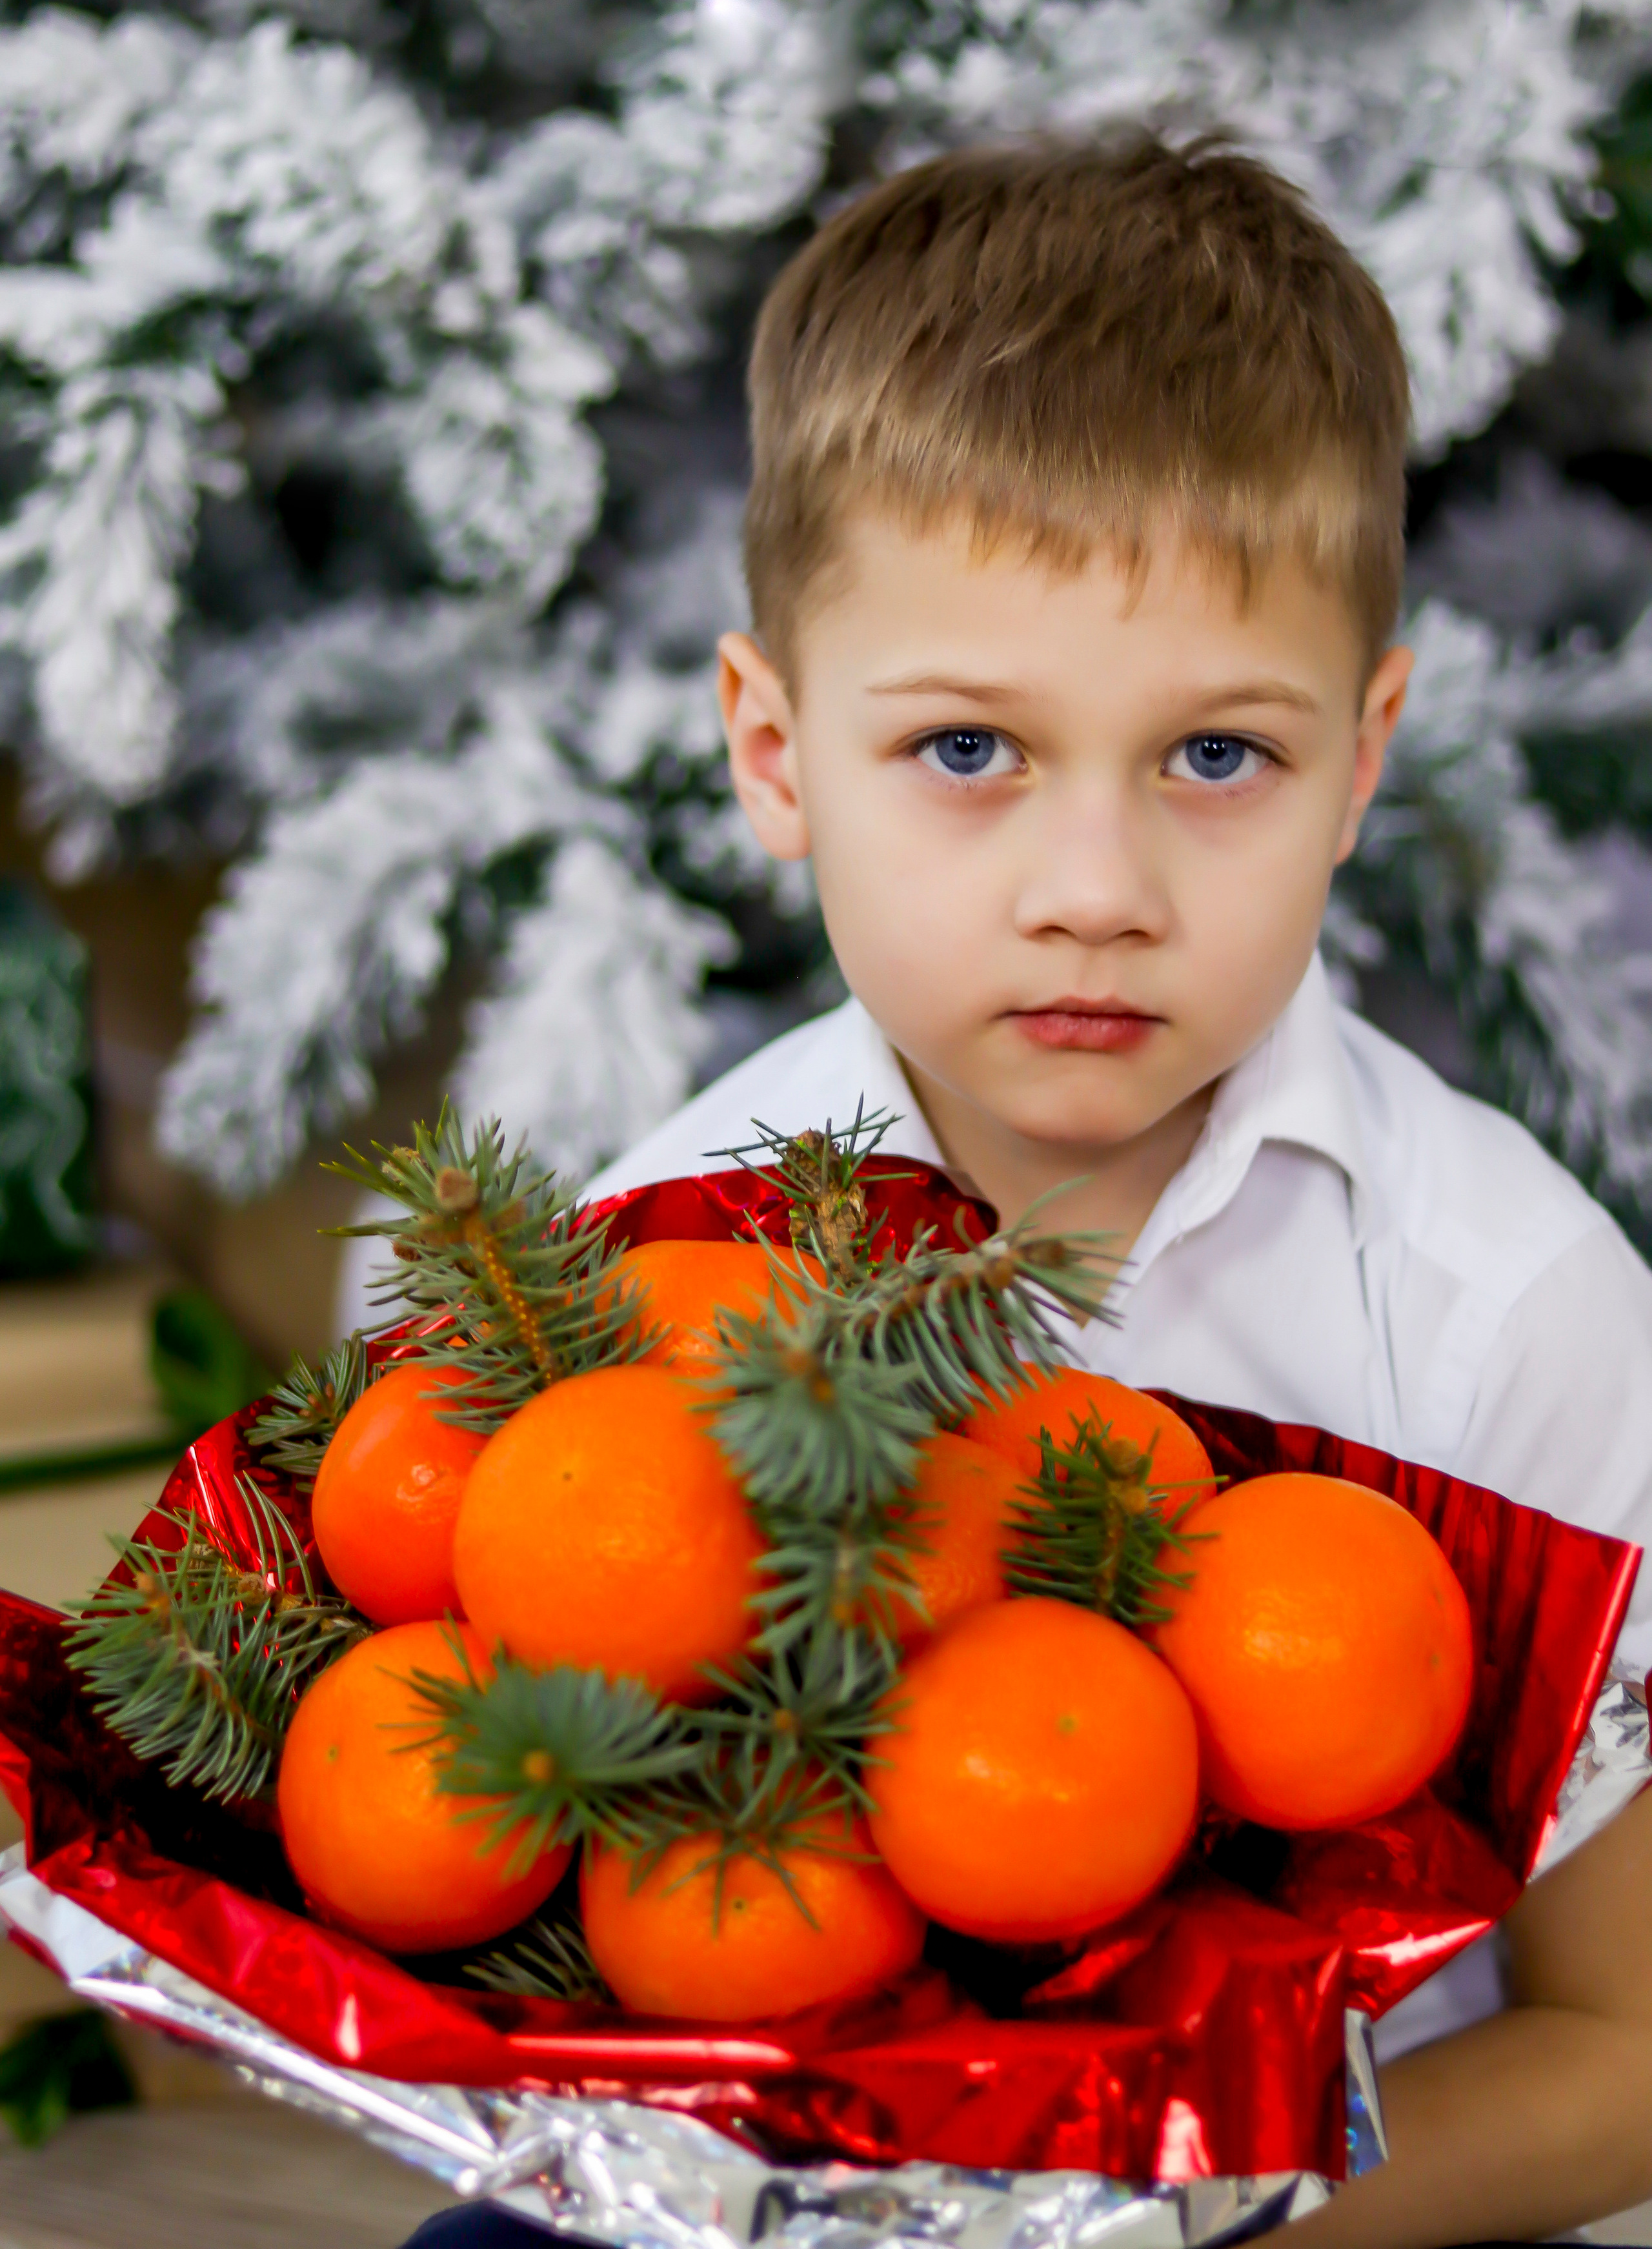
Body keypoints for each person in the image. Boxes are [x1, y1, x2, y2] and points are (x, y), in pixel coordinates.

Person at [392, 137, 1652, 2249]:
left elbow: (1625, 2049)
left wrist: (1169, 2231)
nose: (1095, 896)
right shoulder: (654, 1269)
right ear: (777, 756)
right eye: (969, 750)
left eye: (1217, 758)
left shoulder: (1510, 1310)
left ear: (1364, 758)